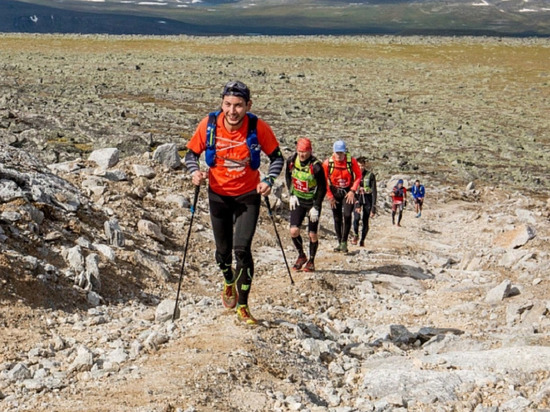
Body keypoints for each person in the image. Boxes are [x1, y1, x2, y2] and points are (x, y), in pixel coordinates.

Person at [184, 80, 284, 325]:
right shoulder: (208, 125)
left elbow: (277, 158)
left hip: (248, 196)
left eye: (238, 105)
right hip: (218, 195)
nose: (232, 111)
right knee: (222, 254)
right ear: (222, 103)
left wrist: (269, 180)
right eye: (227, 104)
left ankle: (243, 305)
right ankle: (229, 281)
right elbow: (190, 154)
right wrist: (194, 172)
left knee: (242, 251)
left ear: (248, 105)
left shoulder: (258, 127)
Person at [285, 138, 327, 272]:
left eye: (305, 152)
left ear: (310, 151)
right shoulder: (291, 161)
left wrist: (316, 206)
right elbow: (288, 176)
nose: (302, 155)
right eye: (299, 151)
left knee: (312, 234)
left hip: (312, 202)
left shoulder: (316, 167)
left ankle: (311, 261)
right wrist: (291, 194)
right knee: (293, 230)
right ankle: (301, 255)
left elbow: (322, 188)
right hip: (298, 200)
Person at [323, 140, 361, 253]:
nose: (339, 155)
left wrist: (353, 191)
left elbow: (358, 176)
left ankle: (344, 242)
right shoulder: (327, 163)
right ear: (333, 152)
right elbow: (324, 180)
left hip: (347, 191)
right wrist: (330, 196)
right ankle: (339, 242)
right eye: (337, 152)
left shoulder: (351, 162)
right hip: (334, 191)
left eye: (341, 153)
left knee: (348, 215)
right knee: (337, 218)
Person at [350, 157, 377, 247]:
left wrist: (374, 207)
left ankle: (362, 240)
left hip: (367, 199)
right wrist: (356, 202)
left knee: (365, 220)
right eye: (358, 166)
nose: (360, 167)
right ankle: (356, 235)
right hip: (357, 198)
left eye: (362, 166)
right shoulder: (353, 175)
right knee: (356, 218)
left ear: (364, 165)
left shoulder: (370, 175)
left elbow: (374, 191)